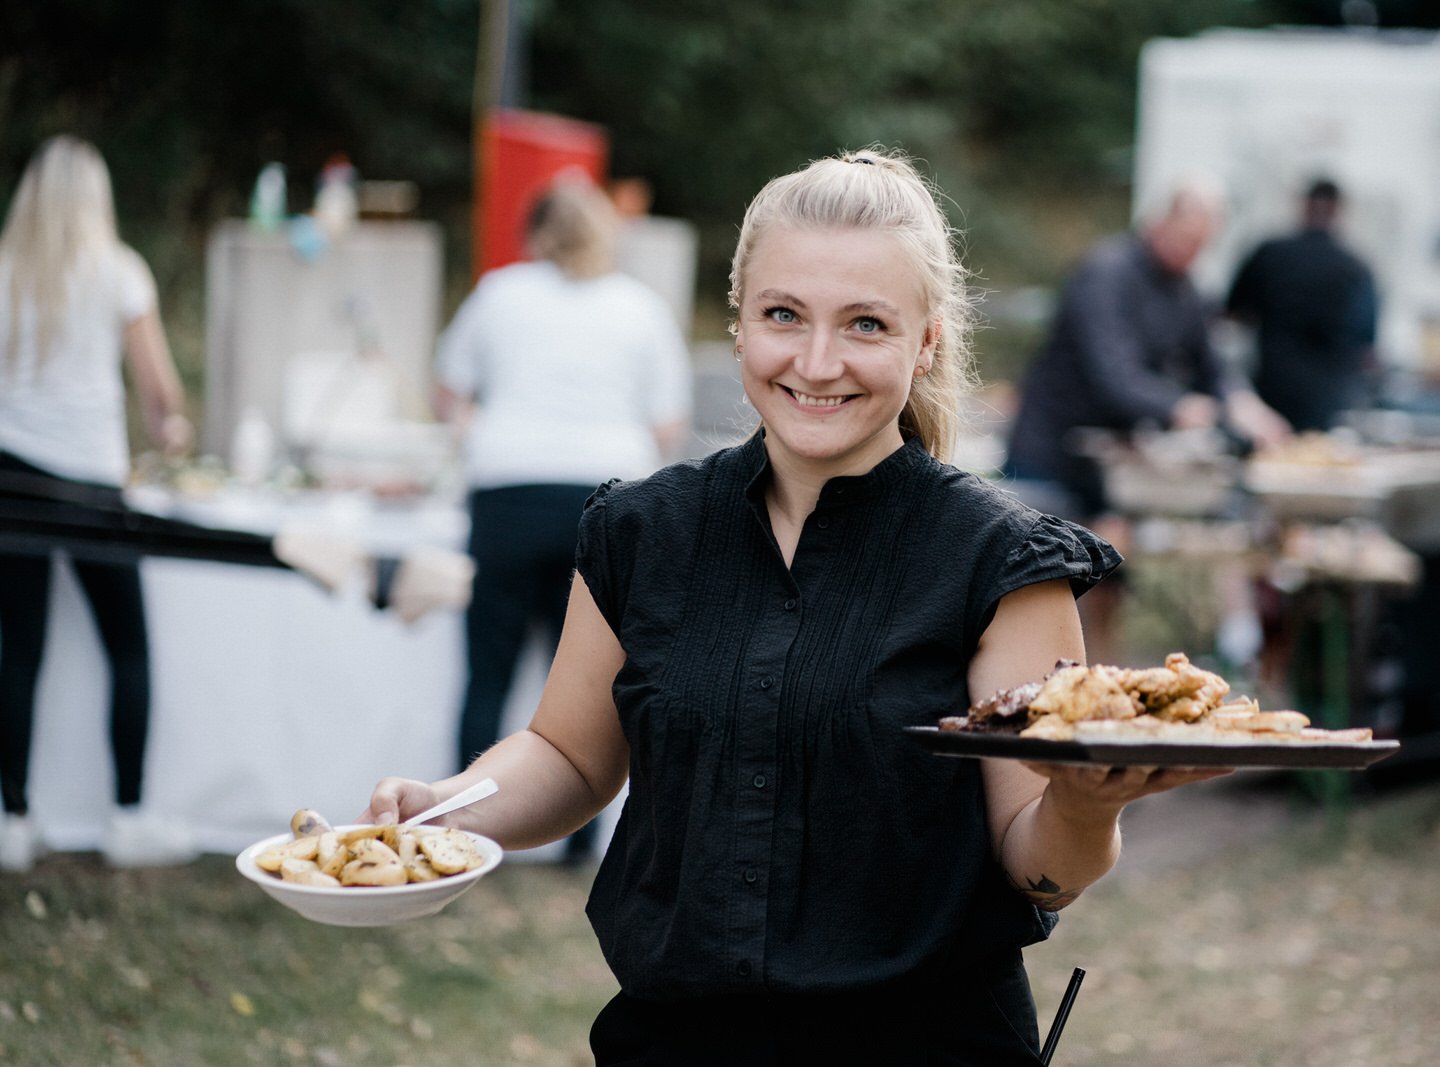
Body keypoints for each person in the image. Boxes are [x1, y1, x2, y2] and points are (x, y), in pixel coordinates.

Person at [363, 148, 1228, 1064]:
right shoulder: (639, 530)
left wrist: (1090, 808)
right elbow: (570, 757)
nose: (818, 363)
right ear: (738, 322)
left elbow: (1037, 864)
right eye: (784, 315)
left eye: (865, 324)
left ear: (926, 339)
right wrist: (448, 807)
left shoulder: (1001, 562)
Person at [433, 175, 691, 864]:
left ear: (536, 232)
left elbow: (448, 391)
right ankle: (577, 840)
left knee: (486, 667)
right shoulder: (641, 309)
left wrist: (482, 432)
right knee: (591, 677)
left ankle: (459, 828)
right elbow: (668, 425)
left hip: (509, 489)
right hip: (604, 499)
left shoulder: (499, 293)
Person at [0, 135, 197, 872]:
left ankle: (13, 819)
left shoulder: (5, 268)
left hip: (11, 476)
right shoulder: (118, 271)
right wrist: (169, 427)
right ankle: (130, 814)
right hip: (89, 479)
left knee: (18, 649)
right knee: (128, 644)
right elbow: (161, 395)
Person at [1006, 179, 1291, 523]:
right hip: (1051, 455)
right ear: (1160, 222)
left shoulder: (1187, 291)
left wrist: (1244, 404)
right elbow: (1114, 374)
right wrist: (1180, 406)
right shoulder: (1106, 273)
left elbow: (1212, 366)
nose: (1192, 254)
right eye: (1187, 241)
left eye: (1202, 245)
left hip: (1111, 467)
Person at [1225, 178, 1380, 432]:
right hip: (1328, 398)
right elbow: (1367, 347)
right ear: (1338, 210)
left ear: (1304, 205)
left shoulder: (1268, 253)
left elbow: (1234, 313)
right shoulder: (1357, 269)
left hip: (1271, 386)